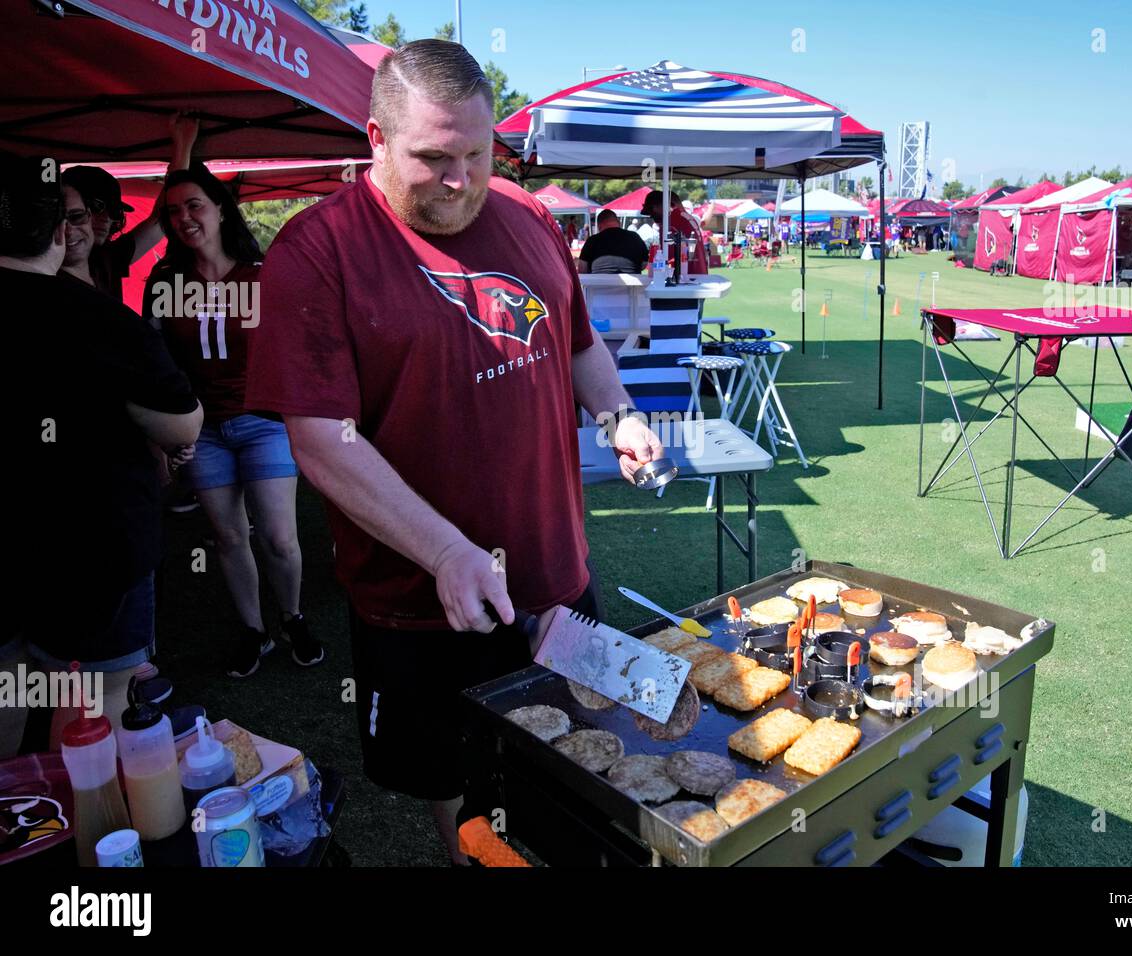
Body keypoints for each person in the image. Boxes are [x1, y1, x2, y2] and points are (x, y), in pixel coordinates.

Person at [242, 40, 666, 865]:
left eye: (477, 153)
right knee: (458, 787)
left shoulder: (529, 215)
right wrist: (444, 551)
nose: (461, 179)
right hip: (420, 600)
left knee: (585, 750)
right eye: (434, 158)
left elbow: (578, 345)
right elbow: (320, 442)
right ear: (375, 137)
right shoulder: (315, 253)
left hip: (556, 570)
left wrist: (617, 415)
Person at [0, 154, 203, 757]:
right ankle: (75, 836)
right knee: (93, 698)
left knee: (8, 688)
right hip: (89, 541)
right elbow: (182, 421)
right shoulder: (100, 320)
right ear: (60, 233)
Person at [143, 166, 323, 678]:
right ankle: (253, 630)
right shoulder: (166, 281)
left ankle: (292, 616)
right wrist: (166, 431)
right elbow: (154, 360)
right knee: (228, 537)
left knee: (281, 538)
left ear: (220, 208)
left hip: (263, 423)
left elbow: (299, 349)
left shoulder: (263, 272)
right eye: (173, 211)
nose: (183, 218)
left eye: (194, 205)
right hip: (203, 432)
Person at [61, 114, 199, 304]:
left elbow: (159, 220)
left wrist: (183, 146)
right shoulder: (42, 264)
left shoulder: (109, 257)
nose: (106, 218)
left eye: (114, 211)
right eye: (97, 207)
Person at [641, 190, 709, 275]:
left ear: (659, 206)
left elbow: (669, 260)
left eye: (652, 210)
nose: (651, 216)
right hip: (698, 274)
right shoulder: (688, 217)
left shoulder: (669, 224)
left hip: (684, 280)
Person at [576, 209, 648, 274]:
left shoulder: (592, 240)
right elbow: (644, 264)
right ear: (618, 222)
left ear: (599, 226)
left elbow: (582, 269)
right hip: (632, 287)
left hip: (599, 287)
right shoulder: (634, 237)